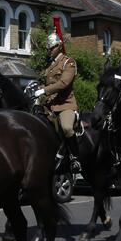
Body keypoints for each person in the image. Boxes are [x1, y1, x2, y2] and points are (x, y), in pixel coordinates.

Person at [31, 30, 81, 173]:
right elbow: (47, 83)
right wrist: (37, 90)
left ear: (59, 46)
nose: (50, 50)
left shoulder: (69, 62)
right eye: (48, 48)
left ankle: (75, 158)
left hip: (65, 104)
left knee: (66, 128)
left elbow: (63, 83)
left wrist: (44, 90)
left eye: (52, 47)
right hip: (49, 106)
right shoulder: (50, 66)